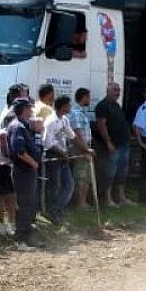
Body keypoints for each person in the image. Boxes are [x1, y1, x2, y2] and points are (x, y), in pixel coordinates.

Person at [7, 99, 43, 249]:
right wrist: (33, 162)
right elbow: (19, 151)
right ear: (23, 109)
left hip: (28, 171)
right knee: (24, 205)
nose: (32, 110)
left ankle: (27, 237)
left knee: (29, 204)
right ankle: (20, 240)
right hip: (23, 171)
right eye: (29, 108)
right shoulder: (18, 127)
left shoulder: (25, 125)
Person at [95, 82, 133, 208]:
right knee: (110, 172)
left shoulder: (116, 105)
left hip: (123, 144)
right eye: (115, 90)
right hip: (113, 145)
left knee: (122, 172)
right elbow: (101, 124)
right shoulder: (102, 106)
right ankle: (108, 199)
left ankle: (121, 197)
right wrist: (108, 142)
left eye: (119, 90)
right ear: (108, 90)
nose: (118, 92)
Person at [42, 96, 76, 225]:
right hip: (53, 156)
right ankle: (52, 212)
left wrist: (80, 148)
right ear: (62, 106)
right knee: (54, 186)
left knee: (69, 185)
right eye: (68, 105)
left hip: (63, 156)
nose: (70, 107)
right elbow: (47, 143)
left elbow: (71, 135)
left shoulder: (65, 120)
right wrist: (62, 153)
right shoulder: (50, 121)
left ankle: (58, 209)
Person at [68, 88, 95, 209]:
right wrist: (86, 149)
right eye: (88, 97)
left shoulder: (82, 112)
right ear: (83, 97)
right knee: (81, 176)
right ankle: (79, 203)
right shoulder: (76, 113)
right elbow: (77, 133)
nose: (90, 99)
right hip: (80, 147)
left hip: (85, 146)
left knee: (86, 176)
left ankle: (83, 201)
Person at [0, 113, 16, 235]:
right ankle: (2, 223)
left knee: (12, 196)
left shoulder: (11, 132)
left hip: (10, 167)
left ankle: (12, 223)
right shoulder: (3, 133)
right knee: (2, 196)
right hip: (3, 167)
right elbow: (5, 151)